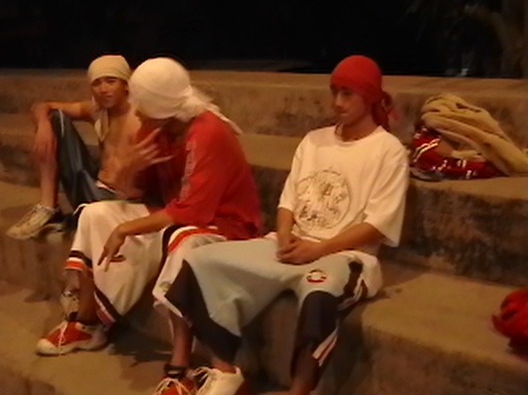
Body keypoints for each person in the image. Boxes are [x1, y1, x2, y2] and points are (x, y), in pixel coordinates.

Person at [160, 55, 409, 395]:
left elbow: (378, 223)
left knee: (320, 295)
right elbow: (288, 200)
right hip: (290, 243)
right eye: (334, 91)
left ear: (369, 97)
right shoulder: (314, 140)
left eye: (348, 93)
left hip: (344, 254)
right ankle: (226, 371)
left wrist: (320, 248)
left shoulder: (388, 150)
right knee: (199, 262)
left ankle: (299, 390)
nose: (337, 102)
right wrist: (285, 238)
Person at [35, 57, 261, 362]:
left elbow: (192, 211)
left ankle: (185, 361)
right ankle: (87, 324)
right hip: (172, 215)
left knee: (178, 237)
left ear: (161, 105)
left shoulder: (208, 131)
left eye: (142, 103)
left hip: (223, 224)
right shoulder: (154, 127)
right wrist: (131, 169)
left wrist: (126, 228)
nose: (136, 110)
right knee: (93, 213)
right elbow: (134, 193)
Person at [6, 54, 140, 240]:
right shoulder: (97, 111)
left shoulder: (140, 118)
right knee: (54, 118)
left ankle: (85, 217)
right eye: (97, 83)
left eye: (111, 82)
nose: (103, 89)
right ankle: (48, 208)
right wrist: (43, 125)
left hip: (121, 201)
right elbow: (42, 106)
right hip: (92, 187)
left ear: (125, 84)